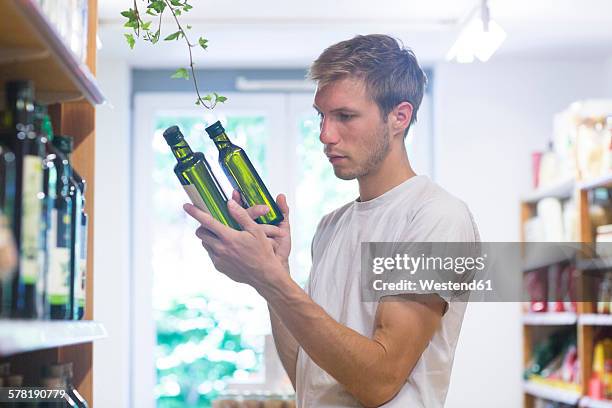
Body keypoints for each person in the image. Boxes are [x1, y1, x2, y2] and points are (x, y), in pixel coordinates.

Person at [184, 34, 480, 407]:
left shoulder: (435, 216)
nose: (326, 134)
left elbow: (378, 381)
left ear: (399, 117)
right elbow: (309, 380)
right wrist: (274, 272)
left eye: (345, 116)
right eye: (321, 116)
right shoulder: (331, 227)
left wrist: (273, 280)